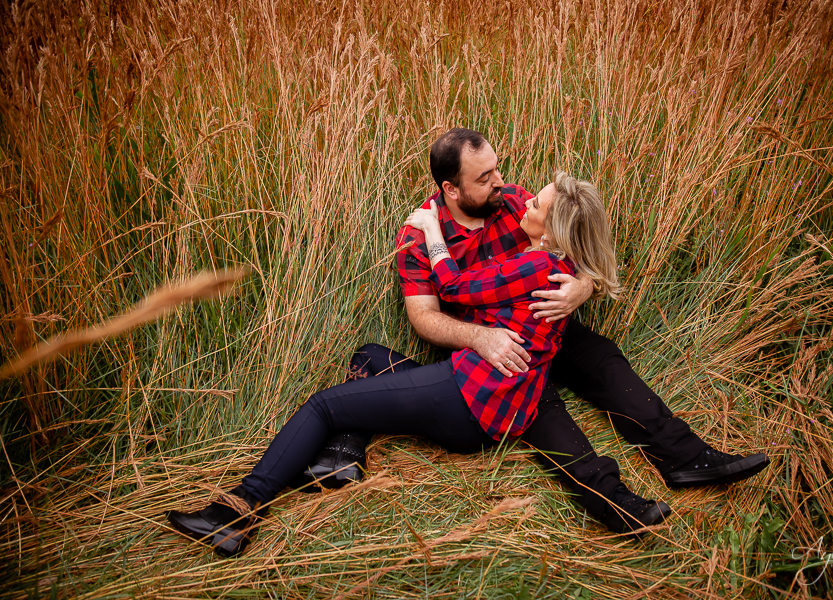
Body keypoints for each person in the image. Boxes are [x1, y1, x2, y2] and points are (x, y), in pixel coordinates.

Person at [167, 172, 672, 557]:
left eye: (537, 202)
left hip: (470, 400)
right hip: (519, 396)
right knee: (372, 359)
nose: (523, 197)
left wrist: (430, 228)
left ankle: (236, 513)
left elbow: (450, 286)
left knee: (324, 406)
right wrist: (585, 279)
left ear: (552, 225)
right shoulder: (564, 265)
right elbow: (569, 237)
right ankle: (629, 511)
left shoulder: (535, 264)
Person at [307, 128, 769, 518]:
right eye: (485, 177)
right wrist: (482, 338)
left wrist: (582, 287)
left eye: (497, 169)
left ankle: (686, 458)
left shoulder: (513, 203)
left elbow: (569, 235)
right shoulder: (419, 234)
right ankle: (615, 501)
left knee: (603, 358)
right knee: (543, 408)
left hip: (546, 324)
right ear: (452, 189)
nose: (502, 183)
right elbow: (425, 317)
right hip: (489, 346)